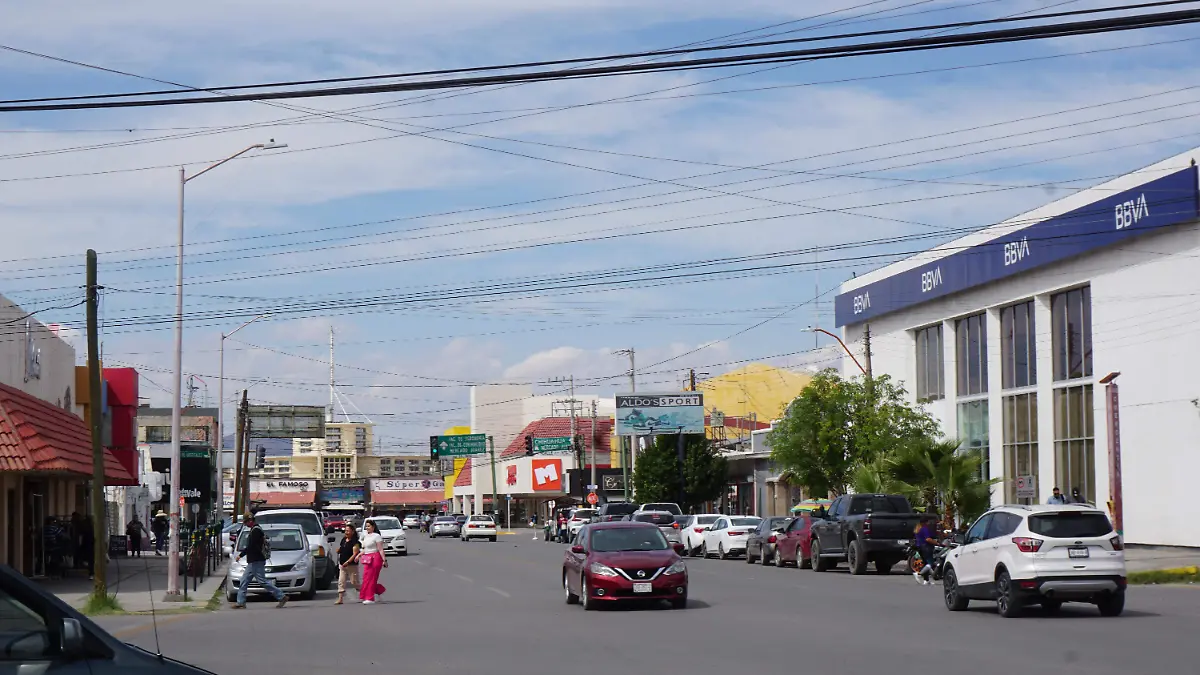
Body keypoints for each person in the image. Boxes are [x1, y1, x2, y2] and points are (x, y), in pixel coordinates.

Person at [233, 514, 288, 609]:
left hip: (256, 560)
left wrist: (240, 555)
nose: (245, 524)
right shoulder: (255, 529)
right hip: (254, 561)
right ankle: (240, 602)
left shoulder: (256, 531)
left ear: (250, 521)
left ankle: (281, 596)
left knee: (262, 581)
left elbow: (251, 546)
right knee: (244, 581)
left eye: (246, 522)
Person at [358, 520, 388, 605]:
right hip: (367, 559)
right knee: (366, 578)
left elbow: (380, 549)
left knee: (371, 579)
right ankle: (379, 590)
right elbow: (365, 549)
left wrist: (384, 560)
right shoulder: (365, 536)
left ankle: (370, 598)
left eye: (369, 526)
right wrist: (358, 555)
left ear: (373, 527)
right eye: (366, 526)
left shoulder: (377, 536)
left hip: (375, 558)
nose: (367, 528)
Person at [336, 524, 361, 605]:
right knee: (341, 581)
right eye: (345, 531)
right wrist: (339, 550)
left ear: (352, 532)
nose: (346, 532)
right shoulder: (343, 540)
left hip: (351, 565)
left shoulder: (355, 543)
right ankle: (340, 599)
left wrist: (348, 562)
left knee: (354, 582)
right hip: (342, 565)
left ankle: (365, 594)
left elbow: (355, 554)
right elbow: (342, 548)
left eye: (348, 531)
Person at [913, 518, 939, 586]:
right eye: (927, 522)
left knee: (925, 564)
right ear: (924, 523)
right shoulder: (924, 529)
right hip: (926, 548)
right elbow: (928, 539)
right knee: (930, 563)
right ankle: (918, 574)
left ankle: (926, 580)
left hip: (920, 547)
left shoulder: (917, 529)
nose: (928, 524)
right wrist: (936, 543)